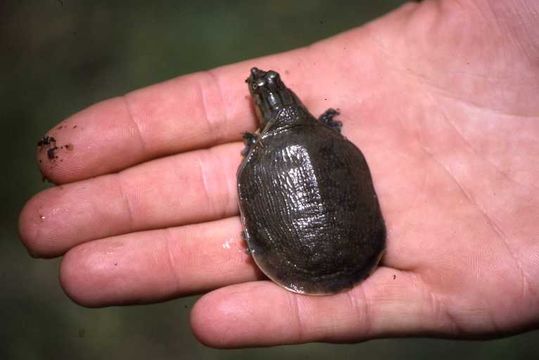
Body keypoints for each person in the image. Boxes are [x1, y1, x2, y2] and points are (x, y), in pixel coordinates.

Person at [18, 0, 539, 348]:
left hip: (327, 224)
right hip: (330, 218)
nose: (263, 91)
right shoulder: (315, 137)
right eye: (263, 90)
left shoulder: (266, 149)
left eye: (266, 90)